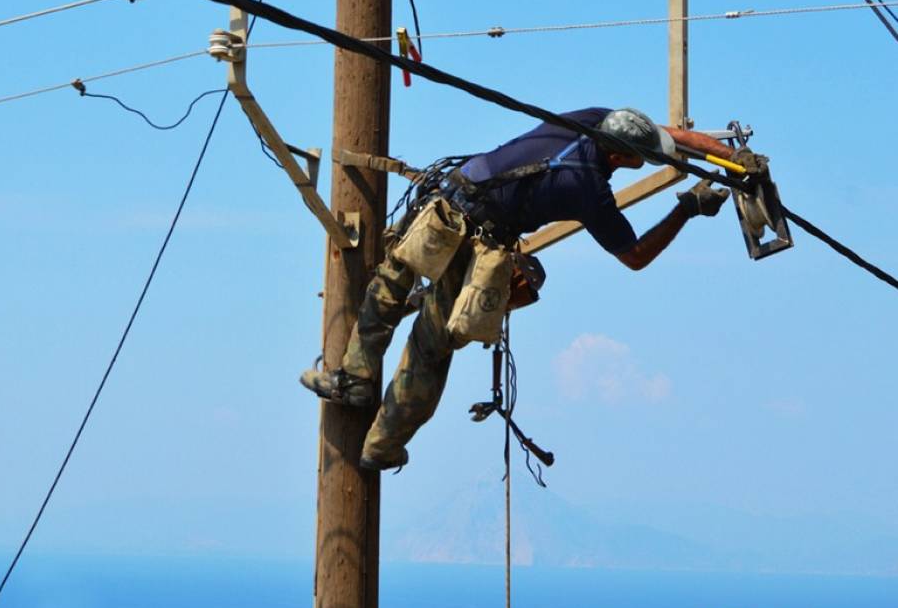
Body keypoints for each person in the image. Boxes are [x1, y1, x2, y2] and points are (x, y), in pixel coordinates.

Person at [300, 107, 750, 471]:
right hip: (474, 238)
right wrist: (686, 209)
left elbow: (664, 133)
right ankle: (380, 446)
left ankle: (355, 379)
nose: (642, 165)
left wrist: (731, 161)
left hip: (447, 203)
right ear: (618, 157)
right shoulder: (588, 189)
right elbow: (634, 256)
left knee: (387, 288)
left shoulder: (594, 117)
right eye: (639, 160)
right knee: (431, 345)